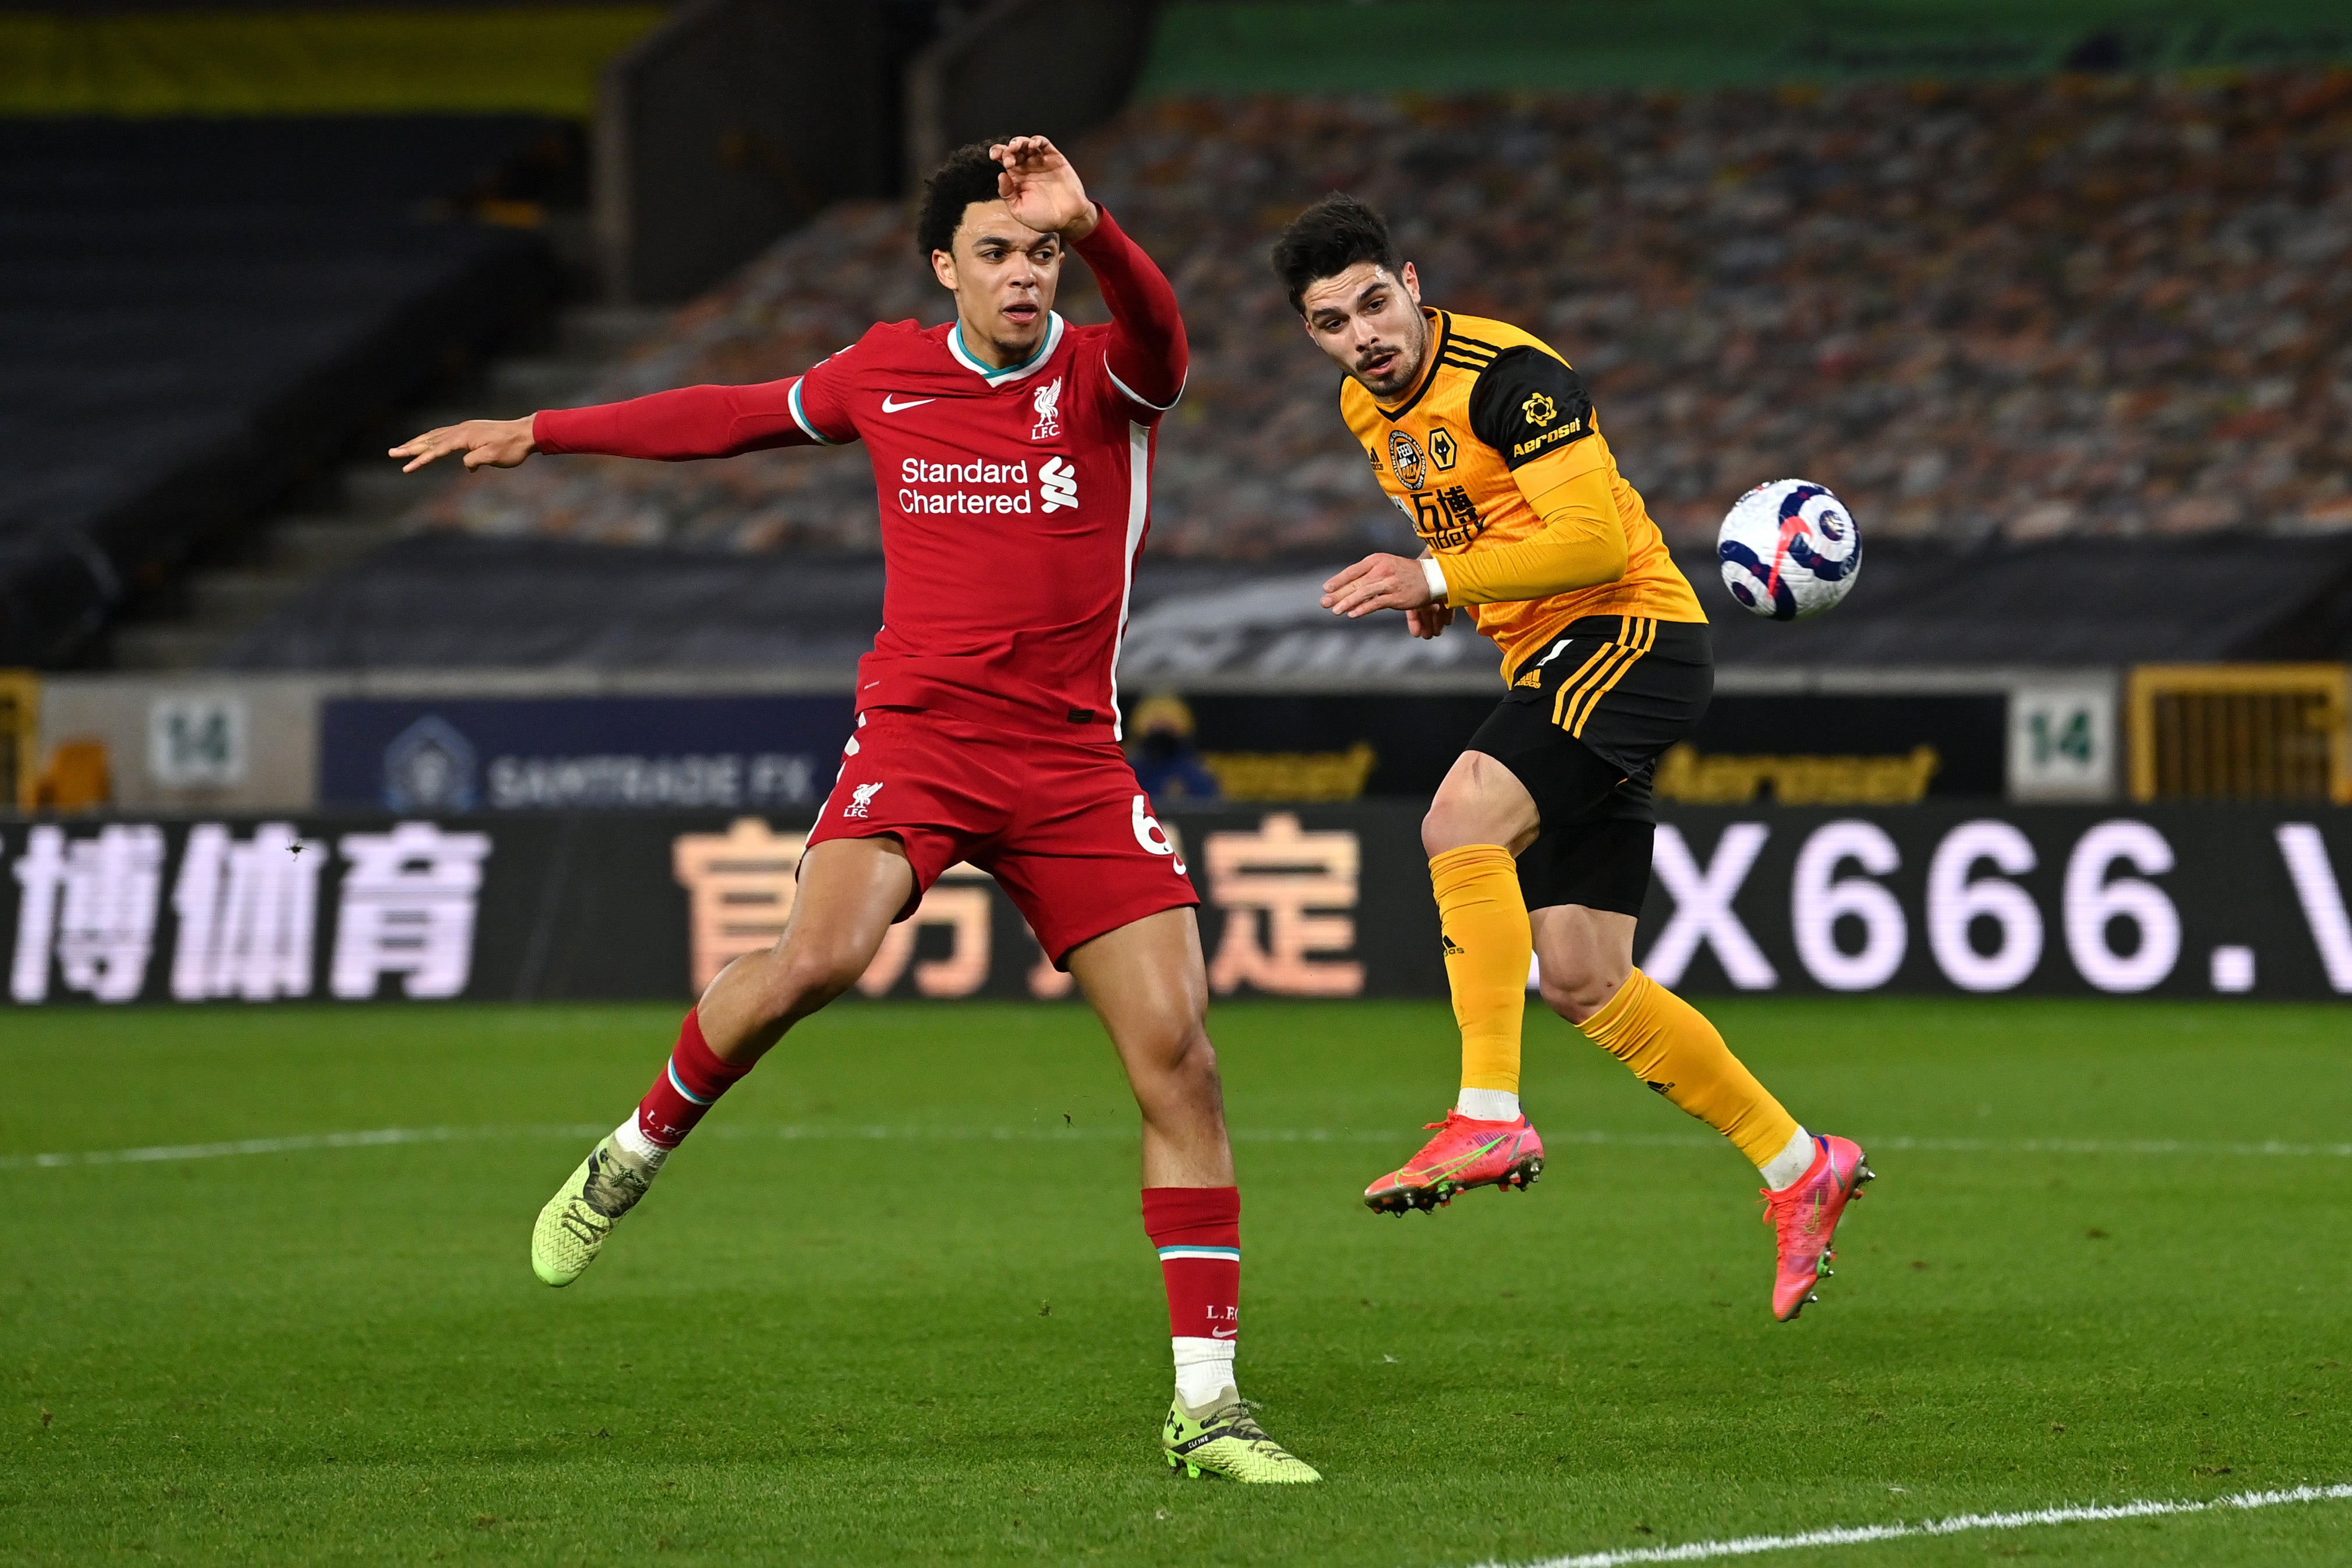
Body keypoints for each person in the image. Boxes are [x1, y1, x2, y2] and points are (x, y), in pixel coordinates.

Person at [392, 137, 1318, 1480]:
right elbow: (729, 412)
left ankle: (1208, 1404)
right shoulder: (885, 369)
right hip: (922, 740)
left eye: (1041, 253)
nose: (1024, 274)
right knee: (815, 963)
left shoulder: (1103, 373)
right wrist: (544, 430)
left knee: (1179, 1058)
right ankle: (637, 1147)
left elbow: (1167, 344)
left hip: (1070, 762)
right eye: (998, 252)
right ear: (945, 267)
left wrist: (1099, 229)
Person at [1272, 193, 1872, 1321]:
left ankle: (1488, 1111)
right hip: (1554, 657)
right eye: (1330, 322)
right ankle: (1801, 1166)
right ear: (1311, 338)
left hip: (1631, 637)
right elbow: (1486, 519)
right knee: (1587, 978)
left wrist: (1436, 578)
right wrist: (1446, 585)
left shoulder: (1514, 377)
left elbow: (1592, 537)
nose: (1363, 336)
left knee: (1458, 823)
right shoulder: (1368, 409)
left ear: (1411, 284)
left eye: (1371, 303)